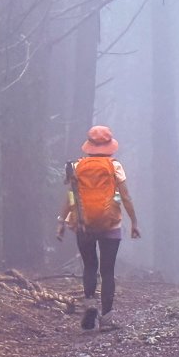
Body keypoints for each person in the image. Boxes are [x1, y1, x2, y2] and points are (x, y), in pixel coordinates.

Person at [56, 125, 140, 331]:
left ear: (89, 145)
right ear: (109, 145)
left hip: (83, 224)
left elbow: (71, 195)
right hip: (111, 224)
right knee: (107, 271)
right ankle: (107, 320)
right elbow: (125, 196)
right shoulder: (114, 166)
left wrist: (61, 221)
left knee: (90, 266)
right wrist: (134, 222)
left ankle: (90, 304)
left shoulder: (77, 165)